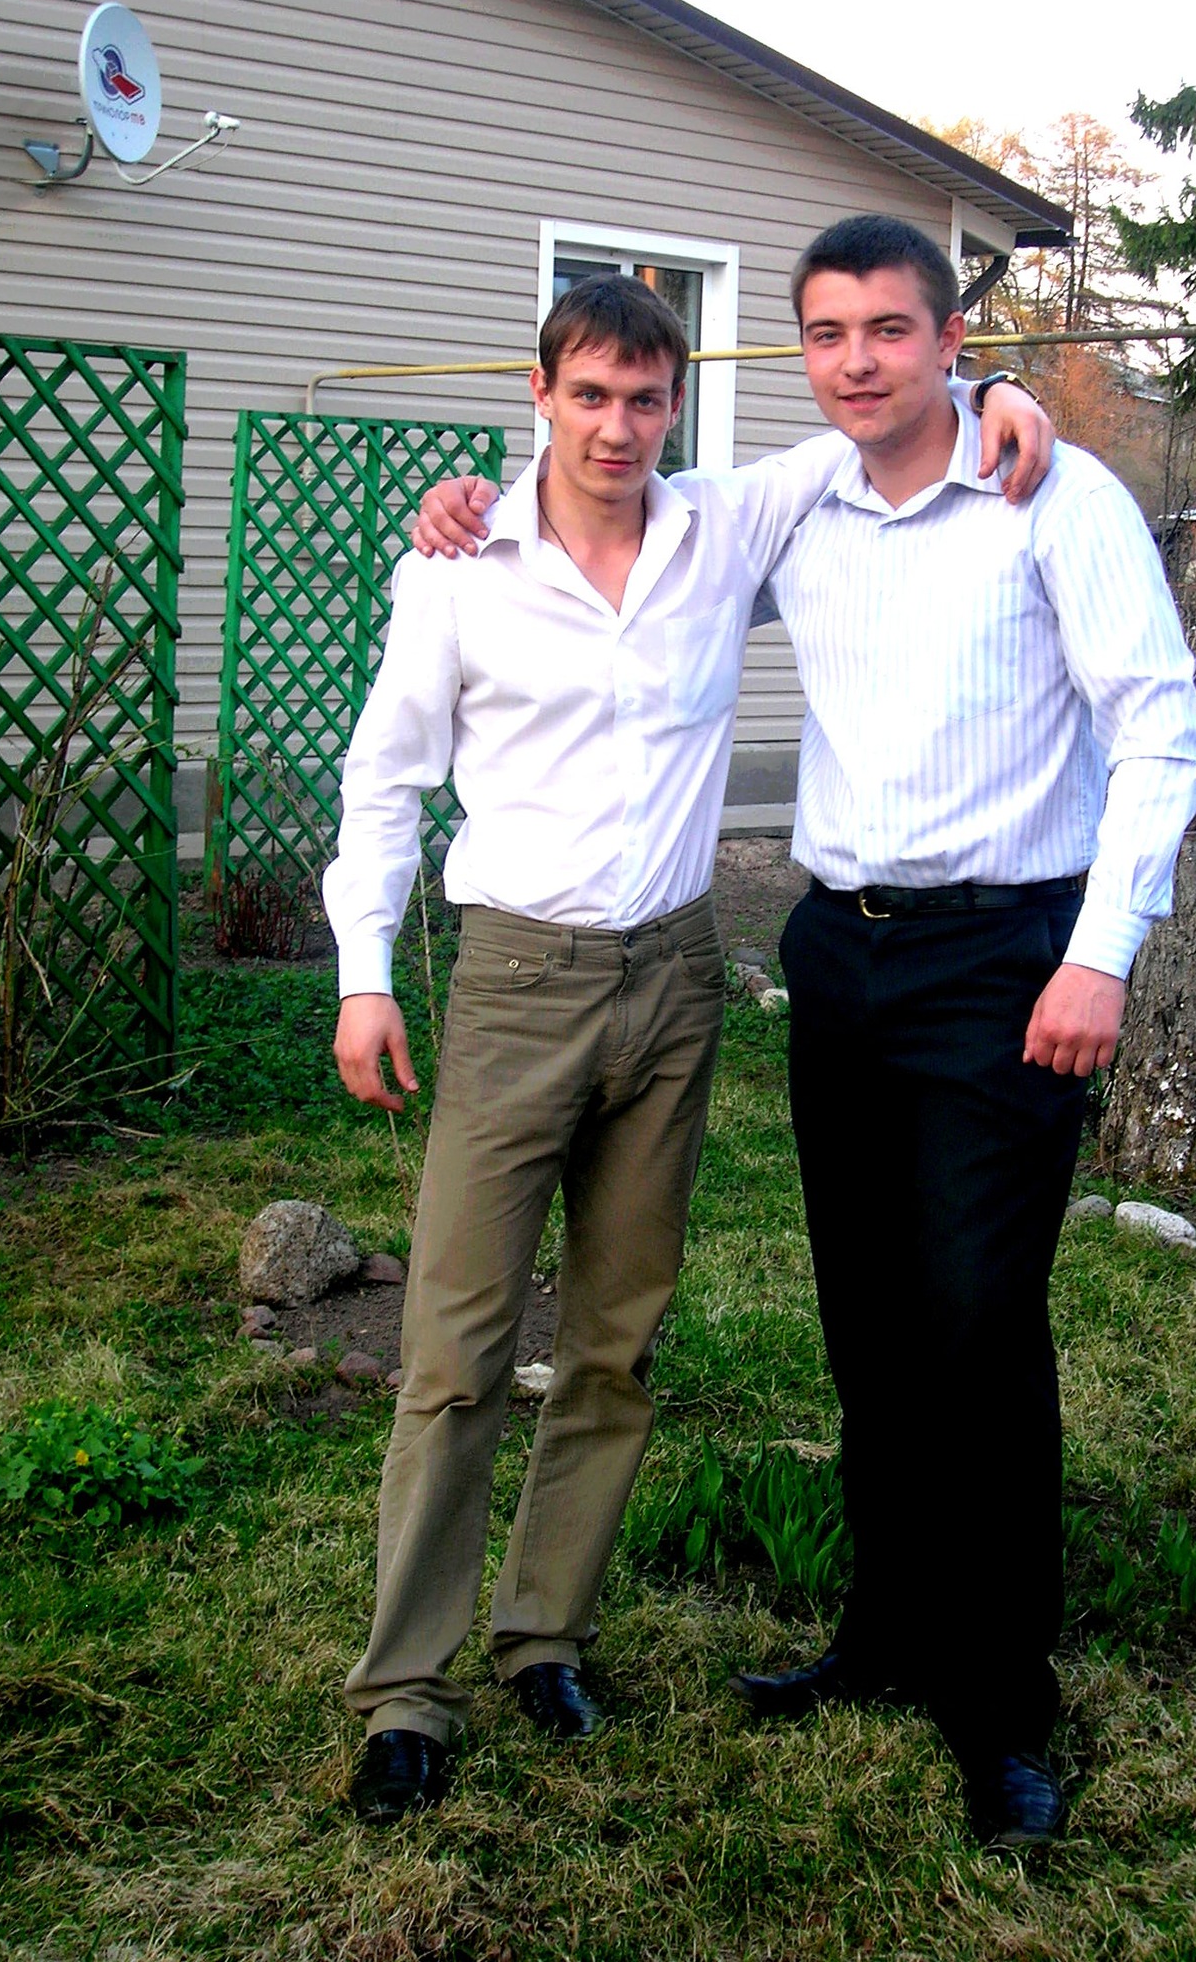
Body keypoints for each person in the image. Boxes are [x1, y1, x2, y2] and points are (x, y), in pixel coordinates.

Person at [417, 215, 1196, 1852]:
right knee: (870, 1322)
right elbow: (614, 495)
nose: (860, 361)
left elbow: (1161, 732)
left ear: (950, 341)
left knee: (976, 1326)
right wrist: (476, 498)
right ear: (800, 350)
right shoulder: (790, 510)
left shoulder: (1053, 497)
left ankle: (999, 1702)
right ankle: (889, 1633)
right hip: (841, 957)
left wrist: (1100, 955)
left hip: (1008, 961)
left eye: (894, 331)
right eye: (830, 333)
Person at [324, 269, 1052, 1825]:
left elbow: (885, 417)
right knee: (455, 1348)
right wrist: (363, 975)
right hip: (517, 982)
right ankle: (406, 1693)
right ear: (539, 397)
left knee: (615, 1339)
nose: (617, 426)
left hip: (671, 983)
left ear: (678, 405)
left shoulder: (727, 527)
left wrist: (998, 391)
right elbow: (383, 780)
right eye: (588, 396)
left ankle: (546, 1637)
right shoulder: (457, 569)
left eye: (646, 399)